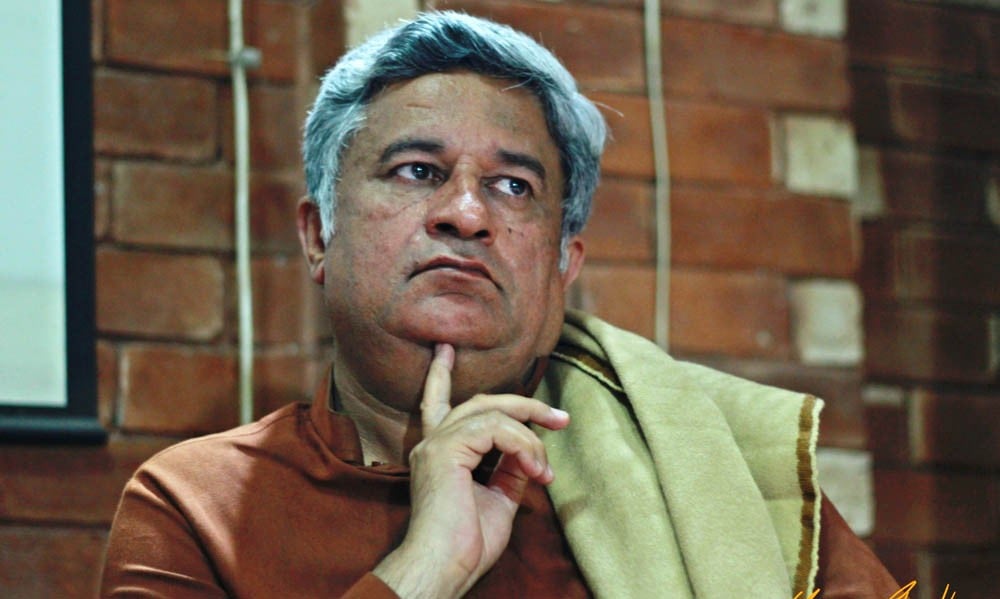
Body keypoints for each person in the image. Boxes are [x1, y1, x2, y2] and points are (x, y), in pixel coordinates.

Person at [101, 11, 898, 598]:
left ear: (562, 265)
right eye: (417, 170)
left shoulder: (709, 466)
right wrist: (426, 567)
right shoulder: (197, 506)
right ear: (318, 236)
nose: (467, 213)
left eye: (513, 186)